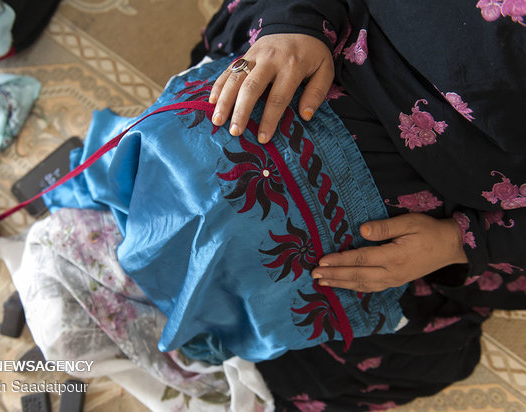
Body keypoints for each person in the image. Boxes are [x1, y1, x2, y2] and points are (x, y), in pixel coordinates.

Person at [189, 0, 526, 410]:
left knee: (377, 348)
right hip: (321, 34)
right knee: (190, 173)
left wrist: (461, 241)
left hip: (467, 211)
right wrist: (292, 21)